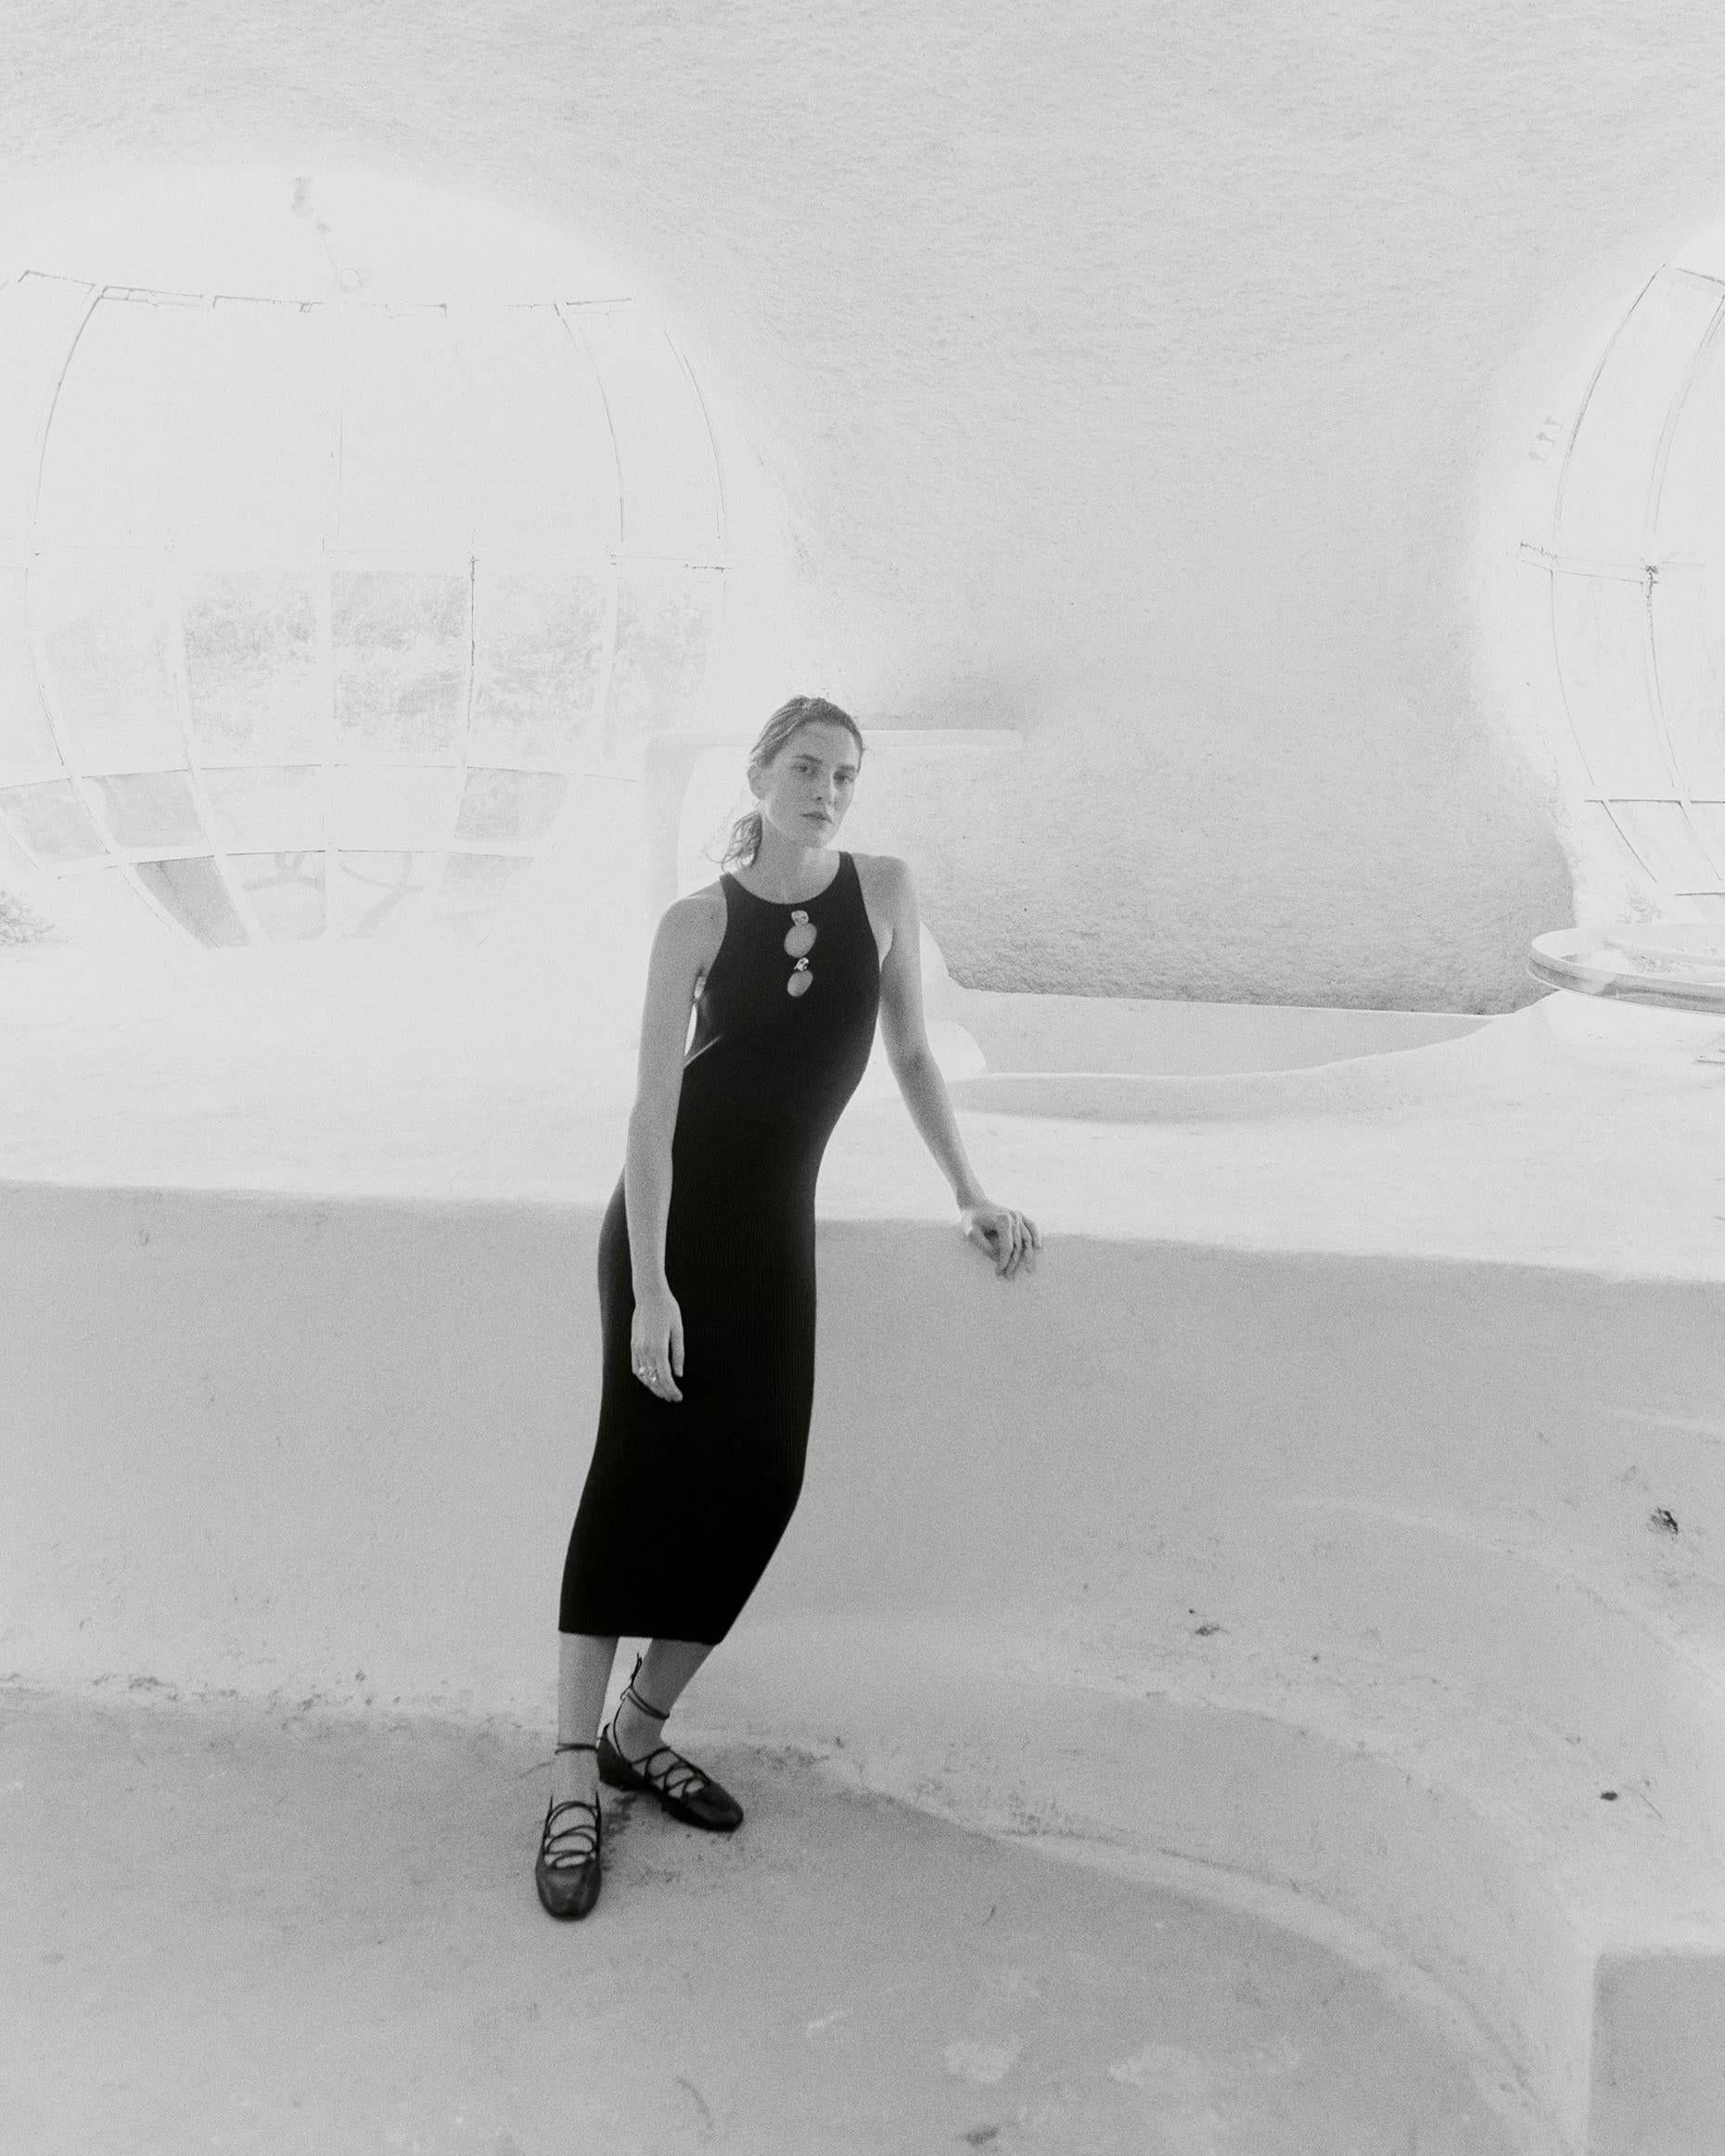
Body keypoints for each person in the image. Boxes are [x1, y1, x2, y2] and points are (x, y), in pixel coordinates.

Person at [537, 694, 1041, 1920]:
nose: (828, 790)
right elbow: (653, 1111)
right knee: (632, 1483)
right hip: (667, 1233)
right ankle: (570, 1776)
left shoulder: (886, 891)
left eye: (846, 774)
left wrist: (970, 1190)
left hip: (771, 1239)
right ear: (761, 774)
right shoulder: (697, 921)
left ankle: (639, 1728)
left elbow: (912, 1053)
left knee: (764, 1478)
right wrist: (650, 1286)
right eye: (808, 767)